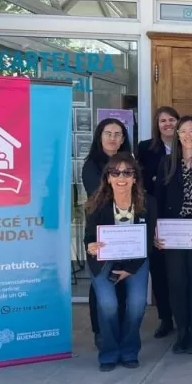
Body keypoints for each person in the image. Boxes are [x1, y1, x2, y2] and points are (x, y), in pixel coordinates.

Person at [83, 152, 156, 371]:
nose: (121, 177)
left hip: (135, 261)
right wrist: (91, 246)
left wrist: (129, 269)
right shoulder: (97, 204)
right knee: (108, 305)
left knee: (136, 304)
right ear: (108, 178)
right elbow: (89, 238)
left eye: (127, 172)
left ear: (135, 178)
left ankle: (129, 350)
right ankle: (109, 352)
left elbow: (148, 241)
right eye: (115, 172)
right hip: (103, 262)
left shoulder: (148, 204)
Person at [154, 116, 192, 355]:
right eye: (183, 131)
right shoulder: (166, 162)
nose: (188, 135)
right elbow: (158, 198)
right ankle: (182, 330)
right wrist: (156, 229)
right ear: (177, 135)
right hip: (173, 231)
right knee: (176, 283)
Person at [81, 118, 132, 349]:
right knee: (101, 283)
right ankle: (100, 332)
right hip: (101, 233)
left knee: (122, 281)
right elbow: (100, 196)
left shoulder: (130, 161)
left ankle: (119, 330)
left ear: (123, 138)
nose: (113, 138)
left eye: (117, 134)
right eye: (108, 133)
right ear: (99, 136)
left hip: (127, 230)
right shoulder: (91, 164)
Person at [136, 106, 179, 339]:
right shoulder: (145, 148)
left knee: (183, 271)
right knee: (160, 270)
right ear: (157, 124)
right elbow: (141, 181)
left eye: (172, 119)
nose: (168, 124)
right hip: (157, 216)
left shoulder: (188, 146)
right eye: (163, 120)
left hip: (182, 218)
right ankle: (165, 318)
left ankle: (185, 317)